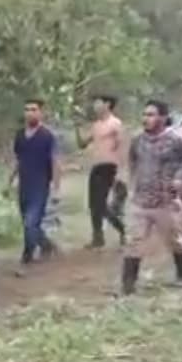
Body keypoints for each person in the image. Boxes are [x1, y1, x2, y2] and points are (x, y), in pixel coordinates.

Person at [120, 100, 182, 294]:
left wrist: (180, 179)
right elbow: (132, 162)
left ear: (163, 117)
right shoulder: (138, 140)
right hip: (141, 200)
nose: (146, 118)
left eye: (151, 114)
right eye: (144, 114)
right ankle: (128, 285)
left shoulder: (177, 140)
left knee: (174, 240)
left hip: (166, 201)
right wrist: (131, 185)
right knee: (134, 241)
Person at [10, 99, 62, 271]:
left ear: (41, 113)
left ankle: (27, 256)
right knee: (29, 223)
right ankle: (46, 245)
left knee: (30, 223)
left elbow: (55, 162)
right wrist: (10, 180)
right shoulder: (20, 135)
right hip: (24, 185)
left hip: (40, 185)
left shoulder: (47, 136)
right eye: (27, 109)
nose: (30, 113)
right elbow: (18, 159)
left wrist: (56, 189)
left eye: (34, 109)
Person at [76, 94, 126, 249]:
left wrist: (121, 170)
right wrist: (77, 128)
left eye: (98, 103)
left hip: (109, 166)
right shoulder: (96, 125)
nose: (95, 106)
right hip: (97, 166)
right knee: (93, 204)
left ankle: (121, 228)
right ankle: (98, 237)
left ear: (107, 104)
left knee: (100, 204)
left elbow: (122, 147)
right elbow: (82, 144)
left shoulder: (115, 123)